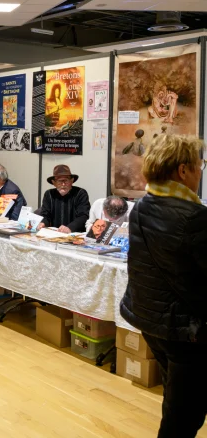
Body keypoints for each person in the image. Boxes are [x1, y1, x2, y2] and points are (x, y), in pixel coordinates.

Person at [120, 135, 207, 438]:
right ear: (183, 171)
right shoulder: (193, 217)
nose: (200, 172)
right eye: (200, 165)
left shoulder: (143, 205)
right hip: (187, 331)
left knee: (177, 398)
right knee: (184, 416)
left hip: (152, 320)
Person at [36, 164, 90, 233]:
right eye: (59, 181)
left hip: (75, 234)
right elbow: (45, 214)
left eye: (66, 180)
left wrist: (70, 228)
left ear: (72, 181)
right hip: (54, 234)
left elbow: (84, 216)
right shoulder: (49, 194)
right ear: (54, 183)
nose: (63, 184)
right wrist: (43, 223)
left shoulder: (80, 193)